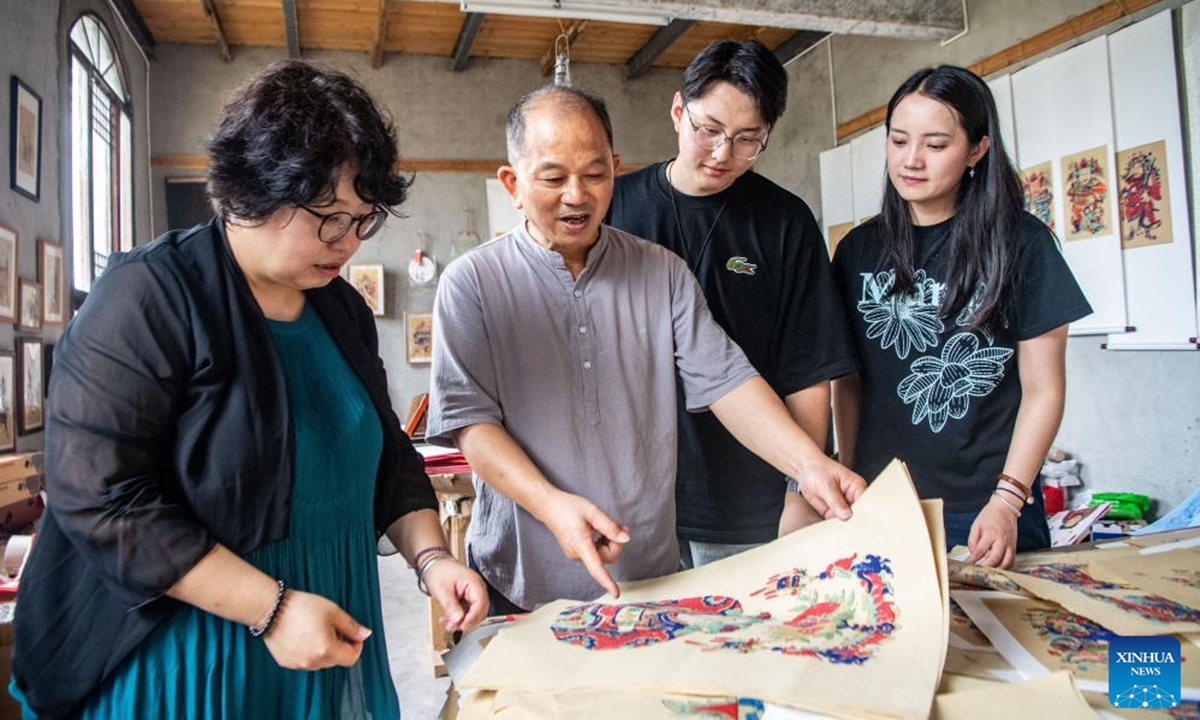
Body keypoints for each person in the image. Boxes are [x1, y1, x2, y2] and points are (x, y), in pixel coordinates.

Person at [11, 60, 487, 720]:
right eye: (329, 217)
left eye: (363, 219)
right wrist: (271, 609)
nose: (348, 241)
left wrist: (433, 559)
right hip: (187, 645)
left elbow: (388, 457)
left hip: (322, 623)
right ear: (251, 192)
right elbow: (104, 501)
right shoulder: (150, 295)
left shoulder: (340, 310)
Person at [427, 84, 866, 615]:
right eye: (553, 177)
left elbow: (727, 381)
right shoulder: (471, 283)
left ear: (615, 169)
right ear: (512, 183)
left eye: (594, 174)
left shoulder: (661, 273)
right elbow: (473, 425)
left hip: (645, 574)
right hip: (522, 574)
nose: (577, 195)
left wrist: (809, 466)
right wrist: (552, 507)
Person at [607, 39, 858, 567]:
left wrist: (797, 490)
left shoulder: (784, 222)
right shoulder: (613, 207)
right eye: (709, 130)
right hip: (630, 500)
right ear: (678, 111)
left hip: (748, 500)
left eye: (748, 140)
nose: (723, 154)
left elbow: (808, 371)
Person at [830, 65, 1092, 570]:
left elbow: (1044, 390)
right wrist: (845, 472)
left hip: (988, 508)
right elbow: (851, 381)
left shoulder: (1022, 245)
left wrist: (1008, 500)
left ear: (977, 149)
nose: (911, 160)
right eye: (899, 140)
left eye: (935, 144)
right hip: (885, 503)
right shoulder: (858, 250)